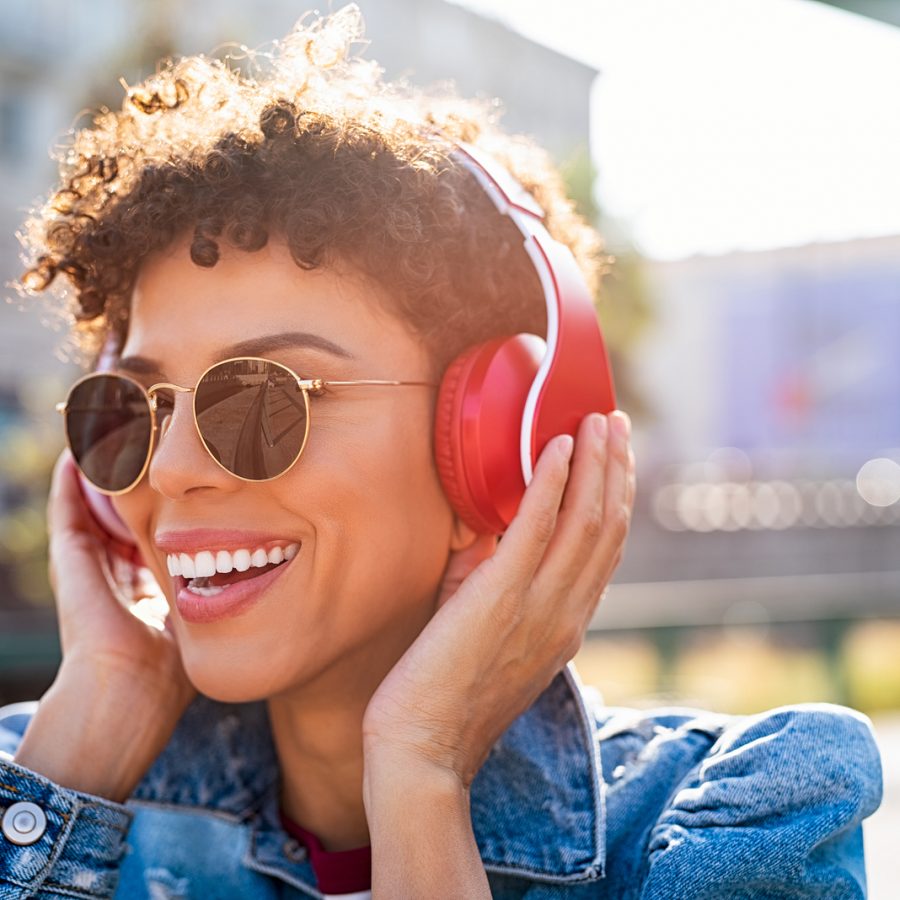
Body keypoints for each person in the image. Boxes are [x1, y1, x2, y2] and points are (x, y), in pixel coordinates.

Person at [0, 6, 883, 899]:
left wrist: (420, 777)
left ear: (499, 441)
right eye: (136, 407)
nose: (173, 466)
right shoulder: (37, 778)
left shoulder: (724, 823)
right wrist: (85, 739)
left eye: (265, 397)